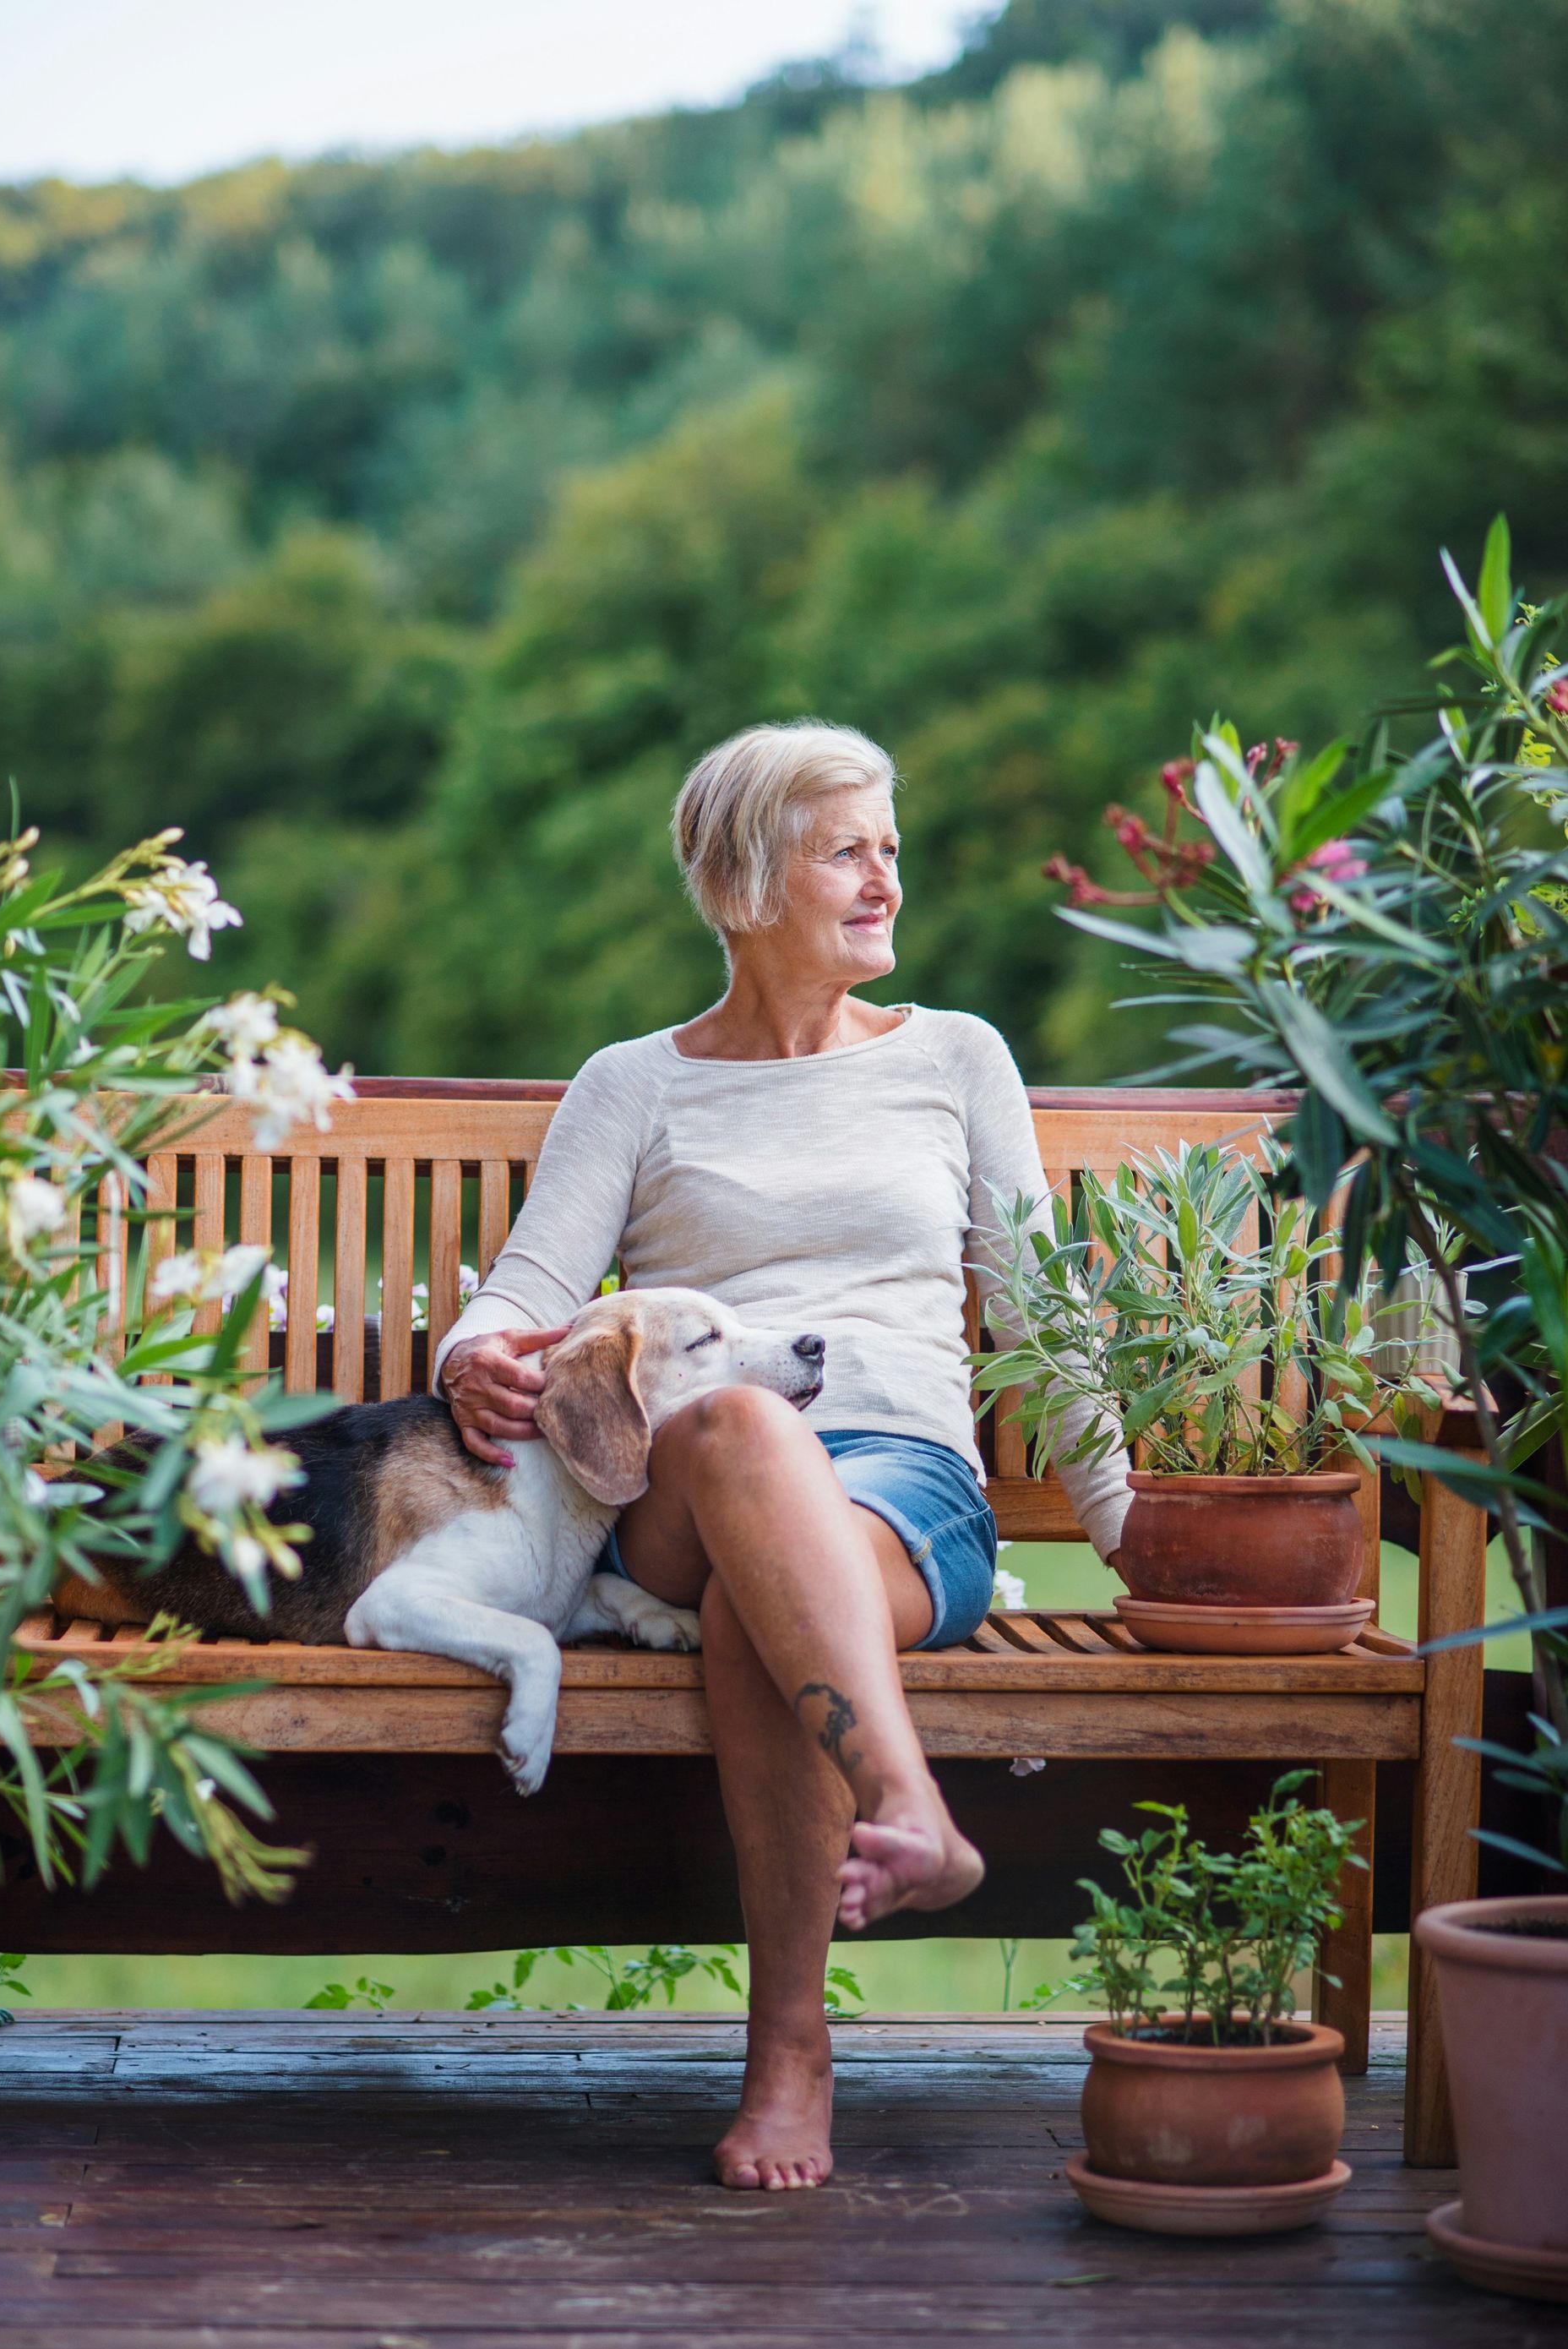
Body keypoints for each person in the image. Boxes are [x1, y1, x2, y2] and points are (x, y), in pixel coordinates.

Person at [432, 722, 1130, 2192]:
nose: (885, 879)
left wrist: (1127, 1525)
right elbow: (526, 1291)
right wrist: (471, 1355)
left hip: (904, 1491)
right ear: (748, 882)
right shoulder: (636, 1083)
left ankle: (789, 2061)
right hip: (686, 1482)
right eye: (845, 851)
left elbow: (1051, 1316)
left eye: (889, 845)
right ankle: (911, 1810)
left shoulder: (958, 1060)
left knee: (767, 1596)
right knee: (745, 1422)